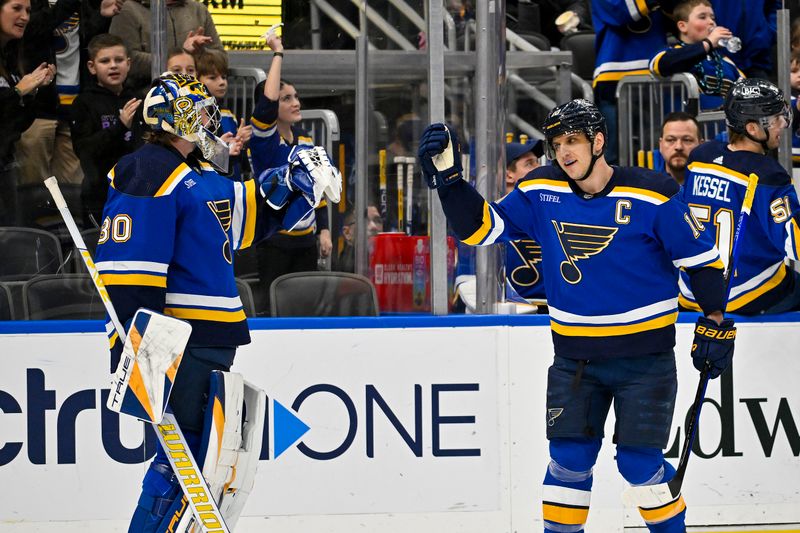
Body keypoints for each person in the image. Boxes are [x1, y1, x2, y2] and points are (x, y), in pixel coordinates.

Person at [418, 99, 736, 533]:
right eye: (556, 144)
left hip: (645, 362)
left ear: (598, 141)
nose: (564, 152)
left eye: (572, 141)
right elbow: (482, 228)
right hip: (574, 360)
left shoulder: (653, 192)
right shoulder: (538, 190)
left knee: (640, 466)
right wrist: (451, 184)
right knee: (569, 461)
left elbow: (701, 261)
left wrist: (716, 320)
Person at [95, 72, 338, 530]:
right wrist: (140, 351)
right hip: (178, 343)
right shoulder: (148, 169)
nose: (211, 122)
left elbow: (245, 220)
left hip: (207, 341)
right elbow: (128, 269)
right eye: (201, 112)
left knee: (210, 469)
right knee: (185, 467)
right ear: (175, 118)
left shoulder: (197, 176)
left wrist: (292, 183)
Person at [680, 78, 800, 315]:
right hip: (744, 295)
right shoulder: (768, 175)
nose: (783, 125)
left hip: (692, 292)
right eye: (776, 119)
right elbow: (795, 243)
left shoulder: (700, 157)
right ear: (753, 128)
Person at [249, 32, 332, 312]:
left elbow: (318, 190)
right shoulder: (262, 144)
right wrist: (278, 54)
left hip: (306, 242)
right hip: (273, 242)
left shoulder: (307, 141)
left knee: (305, 311)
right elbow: (266, 103)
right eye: (286, 98)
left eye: (296, 97)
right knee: (275, 310)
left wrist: (325, 230)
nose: (295, 102)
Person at [70, 33, 143, 227]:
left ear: (128, 64)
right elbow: (84, 151)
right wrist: (119, 127)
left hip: (135, 190)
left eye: (119, 60)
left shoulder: (137, 100)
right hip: (99, 193)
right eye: (105, 61)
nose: (113, 65)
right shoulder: (84, 103)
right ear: (92, 67)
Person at [591, 0, 668, 164]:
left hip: (656, 76)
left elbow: (679, 15)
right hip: (613, 78)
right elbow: (621, 12)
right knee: (612, 154)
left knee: (654, 150)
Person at [0, 0, 55, 226]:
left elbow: (15, 123)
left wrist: (32, 93)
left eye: (28, 11)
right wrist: (18, 91)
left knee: (11, 237)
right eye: (16, 8)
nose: (24, 17)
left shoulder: (11, 56)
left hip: (5, 162)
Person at [108, 0, 220, 94]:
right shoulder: (128, 9)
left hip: (195, 97)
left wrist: (199, 52)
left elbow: (221, 57)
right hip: (145, 98)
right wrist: (182, 55)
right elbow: (127, 60)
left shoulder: (198, 9)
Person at [650, 0, 744, 111]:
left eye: (713, 18)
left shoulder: (726, 61)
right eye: (702, 17)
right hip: (684, 125)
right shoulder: (670, 51)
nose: (711, 22)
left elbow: (746, 92)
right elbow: (660, 65)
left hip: (723, 127)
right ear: (682, 26)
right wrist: (708, 43)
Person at [196, 47, 251, 181]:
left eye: (224, 77)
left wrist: (241, 143)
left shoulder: (227, 114)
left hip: (232, 184)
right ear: (196, 79)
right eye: (213, 77)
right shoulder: (192, 115)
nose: (221, 82)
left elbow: (241, 164)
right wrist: (221, 149)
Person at [334, 205, 383, 273]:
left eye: (377, 221)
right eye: (364, 221)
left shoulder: (389, 261)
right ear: (347, 233)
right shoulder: (342, 271)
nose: (374, 226)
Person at [656, 111, 702, 184]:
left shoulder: (714, 191)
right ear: (661, 145)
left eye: (687, 140)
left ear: (701, 145)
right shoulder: (648, 189)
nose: (679, 147)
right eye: (671, 140)